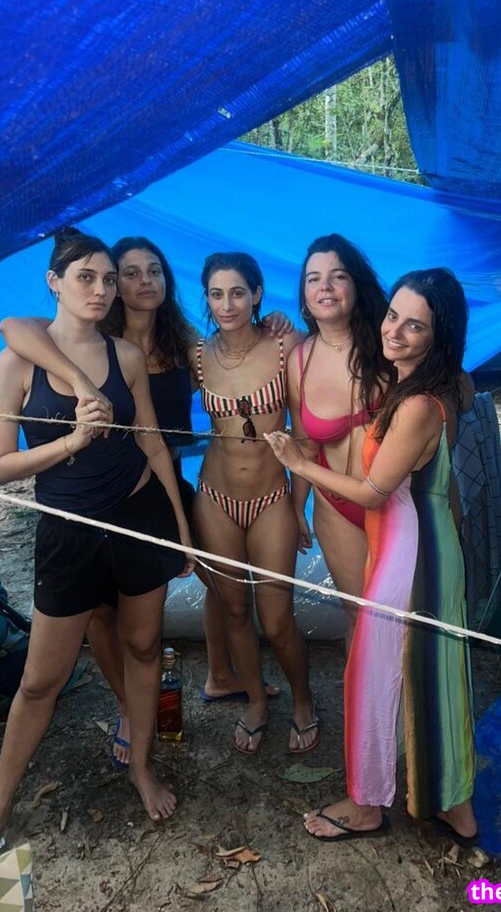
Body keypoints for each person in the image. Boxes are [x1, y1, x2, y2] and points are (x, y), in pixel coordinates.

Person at [0, 236, 286, 769]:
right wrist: (79, 382)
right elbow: (13, 328)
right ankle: (128, 707)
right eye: (127, 273)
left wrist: (272, 324)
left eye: (153, 270)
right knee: (103, 612)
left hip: (162, 481)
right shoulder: (92, 335)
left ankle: (220, 673)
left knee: (220, 584)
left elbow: (232, 350)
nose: (142, 281)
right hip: (98, 489)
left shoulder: (183, 344)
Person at [0, 229, 192, 860]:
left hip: (139, 515)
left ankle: (141, 766)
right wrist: (72, 441)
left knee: (144, 647)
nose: (101, 289)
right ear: (54, 283)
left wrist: (181, 530)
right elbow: (0, 466)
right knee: (41, 680)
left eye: (108, 279)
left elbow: (152, 443)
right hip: (68, 530)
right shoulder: (18, 361)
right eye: (86, 277)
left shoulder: (127, 356)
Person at [266, 267, 477, 845]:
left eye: (415, 326)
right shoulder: (420, 387)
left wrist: (298, 464)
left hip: (410, 552)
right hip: (427, 543)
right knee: (434, 673)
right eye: (393, 316)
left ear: (438, 336)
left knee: (373, 672)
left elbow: (371, 491)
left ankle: (366, 806)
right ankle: (453, 805)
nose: (395, 331)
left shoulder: (417, 405)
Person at [193, 252, 316, 755]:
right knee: (233, 610)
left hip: (271, 499)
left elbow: (305, 434)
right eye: (216, 294)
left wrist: (299, 506)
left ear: (257, 294)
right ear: (206, 298)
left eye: (238, 293)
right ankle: (257, 701)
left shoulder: (287, 345)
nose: (227, 304)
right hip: (214, 497)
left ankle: (303, 701)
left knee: (278, 618)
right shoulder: (198, 354)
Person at [287, 234, 390, 641]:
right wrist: (297, 507)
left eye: (338, 276)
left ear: (357, 284)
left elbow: (451, 392)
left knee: (403, 619)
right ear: (304, 293)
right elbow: (304, 443)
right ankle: (361, 687)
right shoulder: (299, 359)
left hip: (396, 501)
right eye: (313, 279)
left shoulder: (389, 342)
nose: (325, 287)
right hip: (335, 506)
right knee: (361, 619)